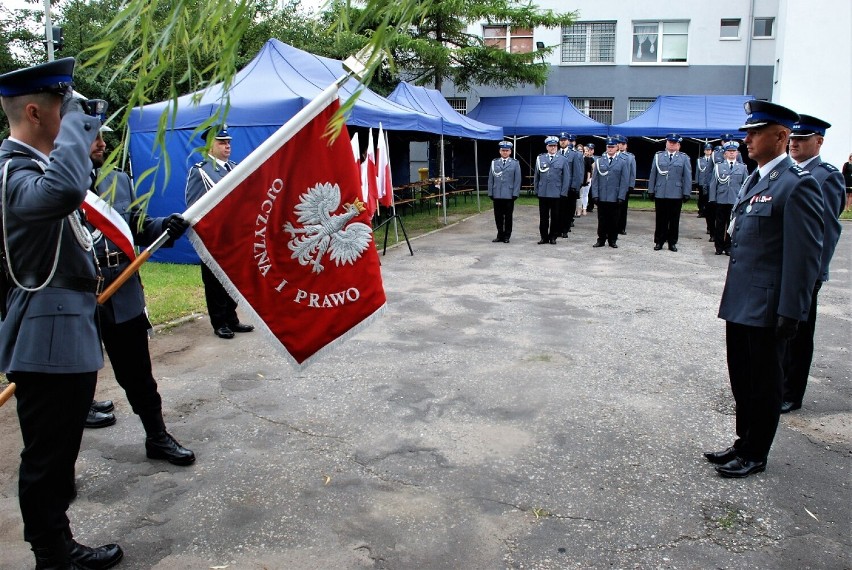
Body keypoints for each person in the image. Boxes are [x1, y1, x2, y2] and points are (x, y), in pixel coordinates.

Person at [0, 58, 124, 569]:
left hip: (62, 330)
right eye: (64, 108)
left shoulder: (34, 167)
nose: (74, 119)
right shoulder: (14, 171)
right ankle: (52, 553)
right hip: (44, 335)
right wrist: (77, 124)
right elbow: (66, 190)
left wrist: (71, 125)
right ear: (35, 111)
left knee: (59, 450)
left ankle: (56, 540)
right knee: (48, 457)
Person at [706, 101, 824, 479]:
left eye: (756, 132)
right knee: (741, 376)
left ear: (781, 135)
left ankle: (757, 452)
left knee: (764, 382)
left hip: (769, 304)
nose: (748, 139)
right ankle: (743, 441)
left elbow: (803, 256)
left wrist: (793, 310)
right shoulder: (757, 178)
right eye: (747, 133)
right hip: (741, 299)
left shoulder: (796, 184)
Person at [87, 129, 196, 465]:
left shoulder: (118, 180)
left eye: (102, 136)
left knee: (138, 374)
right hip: (76, 297)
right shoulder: (52, 186)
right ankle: (62, 464)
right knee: (73, 380)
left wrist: (165, 226)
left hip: (122, 288)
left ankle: (157, 437)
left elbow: (136, 223)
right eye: (92, 136)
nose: (102, 143)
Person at [781, 115, 845, 413]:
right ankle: (778, 383)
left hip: (805, 272)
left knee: (799, 333)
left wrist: (814, 273)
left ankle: (792, 393)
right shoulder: (786, 172)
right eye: (792, 138)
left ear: (819, 141)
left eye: (802, 139)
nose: (794, 143)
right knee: (779, 332)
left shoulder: (826, 176)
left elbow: (827, 230)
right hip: (782, 267)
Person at [184, 125, 254, 339]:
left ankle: (232, 318)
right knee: (214, 282)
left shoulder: (234, 167)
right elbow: (193, 204)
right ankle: (219, 321)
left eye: (228, 142)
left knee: (233, 280)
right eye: (222, 142)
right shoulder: (201, 170)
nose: (227, 146)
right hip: (215, 237)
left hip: (236, 237)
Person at [647, 133, 692, 252]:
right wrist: (651, 190)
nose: (672, 145)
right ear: (666, 143)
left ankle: (672, 242)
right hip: (661, 192)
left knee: (674, 220)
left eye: (674, 143)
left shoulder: (684, 158)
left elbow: (687, 176)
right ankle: (659, 241)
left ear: (679, 145)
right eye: (670, 142)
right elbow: (653, 174)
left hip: (676, 193)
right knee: (660, 218)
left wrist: (687, 192)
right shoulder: (659, 156)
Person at [708, 141, 749, 255]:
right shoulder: (719, 167)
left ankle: (728, 246)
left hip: (735, 200)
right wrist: (712, 199)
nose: (731, 153)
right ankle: (718, 247)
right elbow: (713, 183)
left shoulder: (742, 167)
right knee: (720, 224)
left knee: (732, 225)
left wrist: (743, 200)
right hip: (721, 199)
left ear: (737, 153)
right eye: (729, 151)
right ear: (725, 154)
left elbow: (745, 185)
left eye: (733, 151)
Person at [589, 137, 629, 248]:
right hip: (602, 196)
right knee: (602, 219)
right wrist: (595, 194)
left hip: (615, 196)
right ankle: (601, 239)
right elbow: (595, 180)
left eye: (612, 147)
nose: (610, 149)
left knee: (614, 220)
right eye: (608, 147)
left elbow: (624, 181)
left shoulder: (622, 162)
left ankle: (612, 240)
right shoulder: (600, 161)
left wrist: (621, 196)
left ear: (617, 148)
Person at [533, 136, 568, 244]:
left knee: (555, 217)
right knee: (543, 217)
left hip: (556, 193)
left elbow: (566, 178)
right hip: (543, 192)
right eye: (550, 146)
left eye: (554, 146)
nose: (553, 148)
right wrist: (536, 190)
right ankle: (544, 237)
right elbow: (536, 176)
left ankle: (553, 237)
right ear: (547, 147)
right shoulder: (540, 159)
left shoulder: (562, 159)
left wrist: (563, 192)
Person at [487, 140, 521, 243]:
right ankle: (499, 234)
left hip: (509, 195)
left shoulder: (515, 163)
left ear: (510, 152)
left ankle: (507, 236)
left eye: (507, 150)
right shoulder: (494, 162)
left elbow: (517, 180)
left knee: (508, 217)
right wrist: (490, 192)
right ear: (500, 151)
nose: (505, 152)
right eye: (503, 150)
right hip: (497, 193)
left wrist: (515, 193)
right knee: (498, 216)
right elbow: (490, 179)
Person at [556, 133, 583, 237]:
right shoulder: (556, 153)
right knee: (558, 209)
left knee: (568, 210)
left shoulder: (574, 154)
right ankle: (558, 229)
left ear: (568, 141)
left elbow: (577, 172)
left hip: (569, 187)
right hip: (558, 187)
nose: (562, 141)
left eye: (564, 140)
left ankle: (565, 230)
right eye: (561, 139)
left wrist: (575, 186)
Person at [615, 135, 636, 235]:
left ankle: (621, 228)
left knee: (623, 208)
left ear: (626, 145)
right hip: (613, 186)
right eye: (619, 143)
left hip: (625, 186)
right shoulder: (612, 155)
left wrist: (631, 185)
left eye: (623, 144)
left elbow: (633, 172)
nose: (621, 146)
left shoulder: (630, 157)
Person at [695, 143, 715, 233]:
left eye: (709, 150)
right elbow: (697, 172)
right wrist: (697, 182)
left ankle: (707, 217)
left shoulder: (714, 160)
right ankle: (701, 211)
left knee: (709, 202)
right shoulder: (700, 160)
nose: (708, 151)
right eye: (706, 150)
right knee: (701, 199)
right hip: (702, 182)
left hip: (709, 184)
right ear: (704, 151)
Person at [581, 143, 596, 214]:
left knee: (586, 194)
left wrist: (591, 178)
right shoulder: (581, 158)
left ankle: (586, 208)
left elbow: (593, 169)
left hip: (588, 178)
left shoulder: (592, 159)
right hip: (582, 178)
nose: (587, 151)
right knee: (581, 194)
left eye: (589, 150)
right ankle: (581, 208)